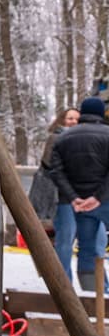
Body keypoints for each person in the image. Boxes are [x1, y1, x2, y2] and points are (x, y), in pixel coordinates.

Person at [49, 97, 109, 291]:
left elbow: (56, 171)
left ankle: (92, 300)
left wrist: (74, 196)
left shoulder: (63, 138)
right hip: (104, 201)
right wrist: (98, 197)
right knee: (92, 248)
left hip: (78, 204)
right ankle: (100, 298)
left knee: (87, 249)